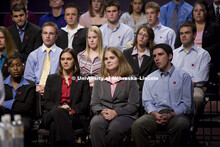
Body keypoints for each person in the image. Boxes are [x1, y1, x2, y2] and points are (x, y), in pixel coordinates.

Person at [131, 43, 194, 147]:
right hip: (156, 114)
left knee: (182, 124)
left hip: (176, 115)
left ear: (170, 56)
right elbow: (147, 102)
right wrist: (155, 114)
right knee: (137, 126)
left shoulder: (183, 76)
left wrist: (170, 115)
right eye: (154, 56)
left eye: (160, 54)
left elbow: (187, 105)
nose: (157, 58)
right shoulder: (150, 78)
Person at [90, 47, 139, 147]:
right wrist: (102, 111)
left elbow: (133, 105)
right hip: (103, 113)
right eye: (106, 59)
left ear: (120, 59)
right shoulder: (99, 79)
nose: (108, 61)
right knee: (96, 124)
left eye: (112, 58)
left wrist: (116, 112)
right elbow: (94, 103)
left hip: (124, 115)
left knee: (115, 128)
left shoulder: (130, 79)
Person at [42, 48, 91, 147]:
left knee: (54, 126)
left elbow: (85, 102)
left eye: (68, 59)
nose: (65, 62)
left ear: (74, 61)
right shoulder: (52, 78)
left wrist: (72, 110)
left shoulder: (82, 79)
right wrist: (60, 108)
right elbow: (46, 102)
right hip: (52, 113)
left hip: (73, 116)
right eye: (62, 59)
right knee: (59, 112)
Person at [172, 21, 211, 135]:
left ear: (194, 35)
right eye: (181, 33)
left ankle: (191, 128)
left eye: (187, 33)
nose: (183, 36)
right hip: (176, 85)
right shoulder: (174, 53)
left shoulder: (203, 54)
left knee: (197, 98)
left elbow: (202, 77)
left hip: (195, 87)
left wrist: (184, 83)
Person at [0, 53, 36, 146]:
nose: (15, 68)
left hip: (24, 118)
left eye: (18, 65)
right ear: (8, 69)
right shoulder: (2, 85)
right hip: (4, 116)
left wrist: (5, 103)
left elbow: (27, 108)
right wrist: (16, 105)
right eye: (12, 66)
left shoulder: (30, 85)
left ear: (23, 67)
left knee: (20, 126)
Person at [124, 25, 157, 116]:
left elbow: (154, 75)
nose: (141, 37)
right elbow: (124, 72)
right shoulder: (126, 53)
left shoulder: (153, 55)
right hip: (128, 86)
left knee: (140, 96)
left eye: (145, 35)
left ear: (149, 39)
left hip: (146, 88)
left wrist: (140, 85)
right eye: (140, 34)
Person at [24, 22, 62, 95]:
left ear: (56, 36)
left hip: (55, 91)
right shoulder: (33, 55)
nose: (47, 36)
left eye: (51, 33)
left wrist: (50, 88)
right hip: (35, 91)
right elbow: (28, 77)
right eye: (45, 33)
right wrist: (35, 87)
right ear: (41, 35)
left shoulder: (61, 54)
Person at [192, 0, 220, 87]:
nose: (198, 13)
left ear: (206, 12)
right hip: (190, 56)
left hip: (208, 58)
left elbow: (218, 45)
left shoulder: (214, 27)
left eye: (201, 10)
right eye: (196, 10)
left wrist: (201, 51)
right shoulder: (188, 26)